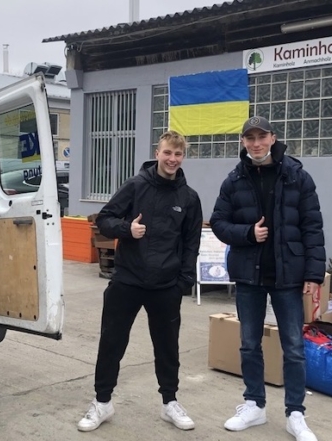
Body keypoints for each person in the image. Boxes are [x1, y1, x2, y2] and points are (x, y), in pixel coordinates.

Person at [77, 130, 203, 432]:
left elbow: (191, 243)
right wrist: (126, 229)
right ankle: (102, 402)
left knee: (167, 347)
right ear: (157, 153)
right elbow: (104, 219)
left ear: (183, 157)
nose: (172, 159)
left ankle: (169, 402)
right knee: (112, 342)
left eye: (178, 154)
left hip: (166, 285)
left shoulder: (189, 198)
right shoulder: (136, 185)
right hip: (128, 281)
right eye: (167, 153)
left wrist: (183, 282)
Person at [209, 116, 325, 441]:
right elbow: (218, 222)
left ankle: (296, 414)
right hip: (249, 276)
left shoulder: (297, 176)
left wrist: (314, 273)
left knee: (294, 347)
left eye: (262, 137)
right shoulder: (234, 180)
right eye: (250, 138)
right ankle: (254, 405)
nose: (256, 143)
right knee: (249, 344)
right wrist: (248, 233)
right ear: (243, 142)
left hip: (288, 277)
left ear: (273, 138)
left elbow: (312, 227)